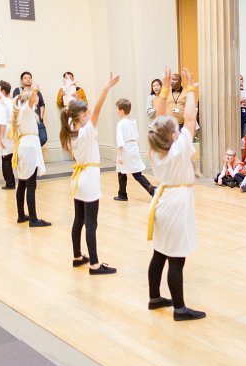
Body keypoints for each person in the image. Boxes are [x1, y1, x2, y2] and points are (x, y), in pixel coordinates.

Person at [146, 68, 205, 320]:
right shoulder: (179, 148)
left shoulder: (155, 148)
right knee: (176, 258)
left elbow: (159, 117)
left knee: (160, 252)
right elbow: (190, 119)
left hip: (163, 200)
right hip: (177, 203)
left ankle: (154, 297)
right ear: (172, 134)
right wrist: (190, 89)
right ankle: (180, 308)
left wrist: (166, 90)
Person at [59, 73, 120, 275]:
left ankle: (77, 256)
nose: (89, 114)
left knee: (79, 220)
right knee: (91, 223)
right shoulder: (85, 131)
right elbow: (98, 109)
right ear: (82, 116)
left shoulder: (69, 129)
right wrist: (105, 88)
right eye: (86, 113)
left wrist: (69, 88)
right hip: (89, 179)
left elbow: (70, 108)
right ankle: (94, 264)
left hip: (79, 180)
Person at [10, 85, 50, 227]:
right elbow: (32, 99)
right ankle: (33, 219)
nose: (36, 100)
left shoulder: (21, 111)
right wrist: (35, 90)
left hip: (25, 147)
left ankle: (21, 215)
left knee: (22, 182)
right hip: (29, 148)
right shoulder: (26, 110)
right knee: (30, 184)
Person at [114, 98, 155, 201]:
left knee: (122, 173)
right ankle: (152, 191)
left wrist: (119, 155)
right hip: (134, 148)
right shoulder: (133, 121)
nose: (116, 111)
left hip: (125, 150)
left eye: (117, 109)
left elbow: (120, 141)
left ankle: (123, 195)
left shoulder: (121, 124)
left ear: (121, 110)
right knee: (137, 174)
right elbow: (137, 136)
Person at [0, 80, 16, 190]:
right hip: (14, 130)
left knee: (6, 158)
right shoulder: (11, 101)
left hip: (7, 132)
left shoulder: (1, 103)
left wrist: (1, 138)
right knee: (14, 156)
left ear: (2, 91)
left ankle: (10, 183)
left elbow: (2, 122)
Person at [12, 71, 47, 146]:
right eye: (25, 78)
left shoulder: (36, 91)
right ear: (22, 81)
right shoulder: (18, 90)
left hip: (37, 119)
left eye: (29, 78)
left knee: (43, 138)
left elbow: (42, 104)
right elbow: (15, 102)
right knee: (26, 139)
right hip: (25, 120)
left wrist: (41, 116)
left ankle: (34, 149)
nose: (28, 79)